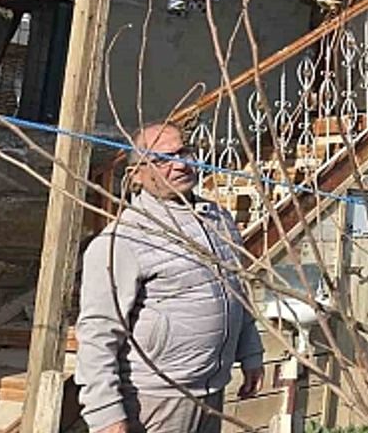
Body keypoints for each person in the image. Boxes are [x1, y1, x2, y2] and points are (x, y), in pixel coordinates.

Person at [76, 123, 265, 433]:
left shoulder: (219, 219)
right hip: (155, 400)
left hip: (211, 392)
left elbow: (235, 292)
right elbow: (97, 334)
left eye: (184, 152)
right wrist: (106, 413)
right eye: (163, 159)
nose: (181, 164)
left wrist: (250, 352)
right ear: (136, 174)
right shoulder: (123, 240)